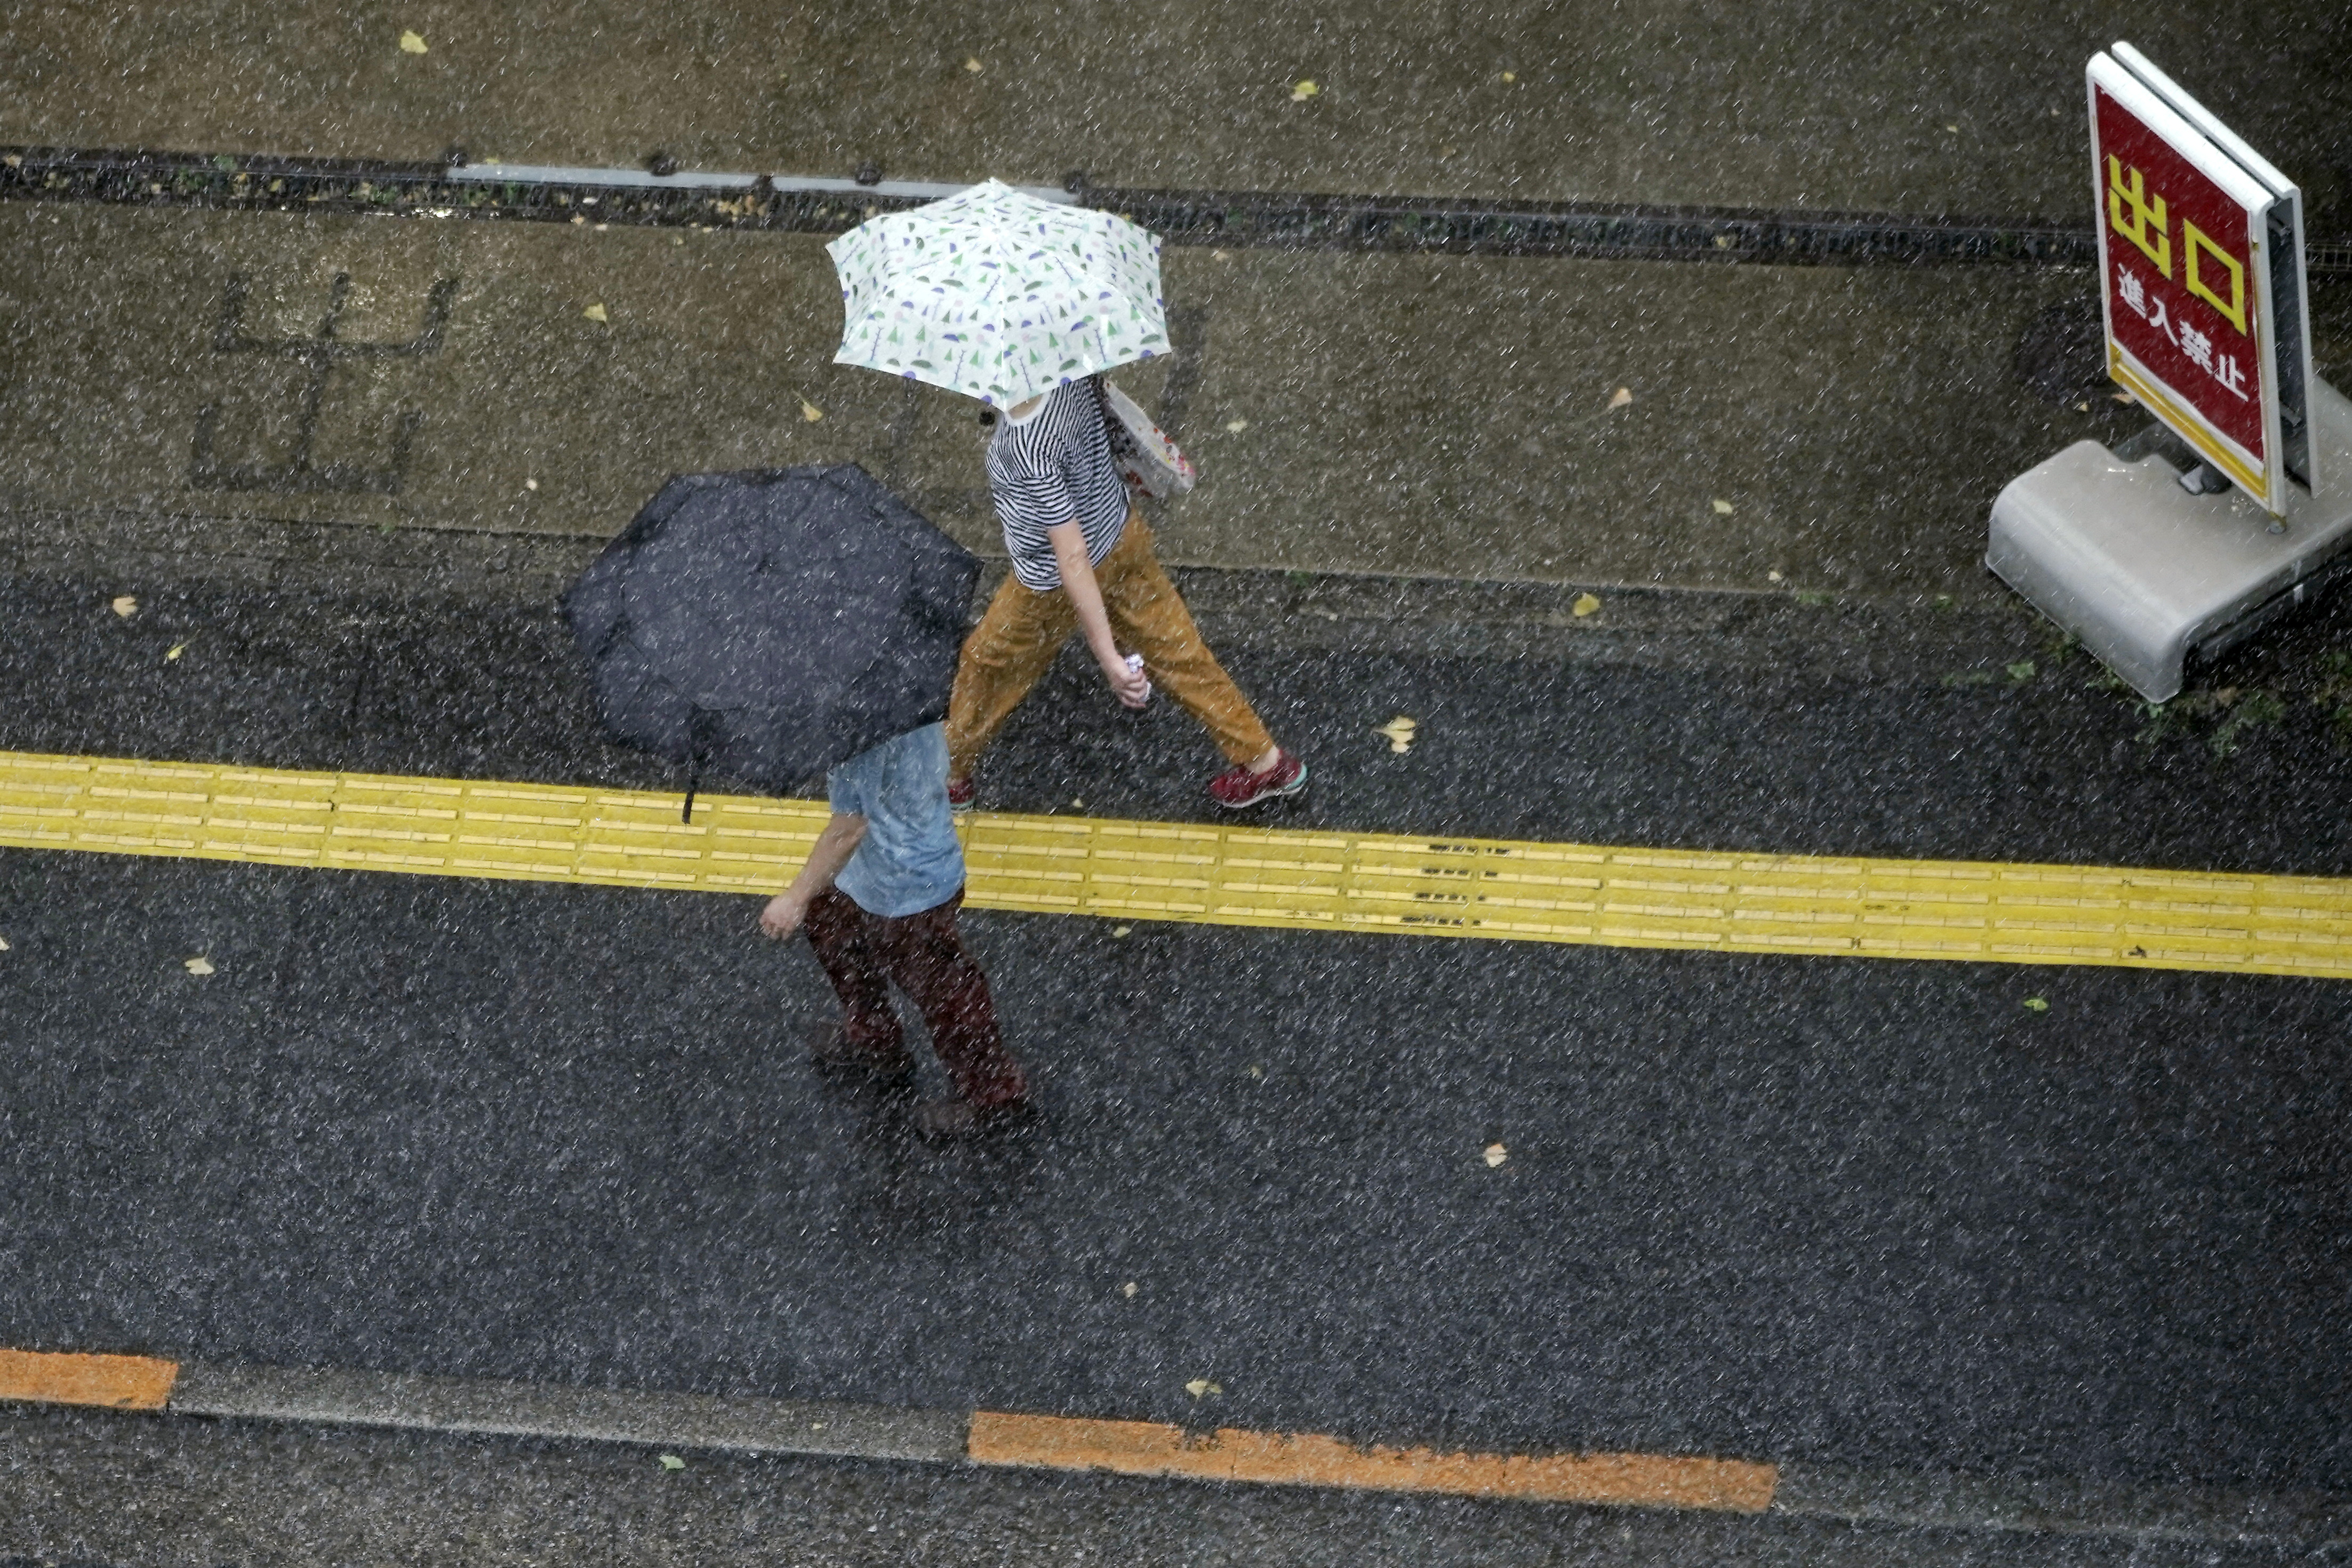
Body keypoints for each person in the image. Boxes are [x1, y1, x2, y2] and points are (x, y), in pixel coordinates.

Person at [945, 378, 1306, 811]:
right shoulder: (1071, 376)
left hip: (1047, 586)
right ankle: (1265, 761)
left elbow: (1072, 557)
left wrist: (1110, 660)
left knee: (988, 668)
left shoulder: (1025, 450)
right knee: (1179, 652)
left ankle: (947, 778)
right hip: (1121, 538)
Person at [759, 720, 1031, 1140]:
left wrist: (794, 897)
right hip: (874, 874)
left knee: (947, 993)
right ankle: (873, 1037)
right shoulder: (906, 698)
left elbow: (848, 830)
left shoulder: (858, 731)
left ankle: (995, 1098)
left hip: (906, 888)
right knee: (835, 930)